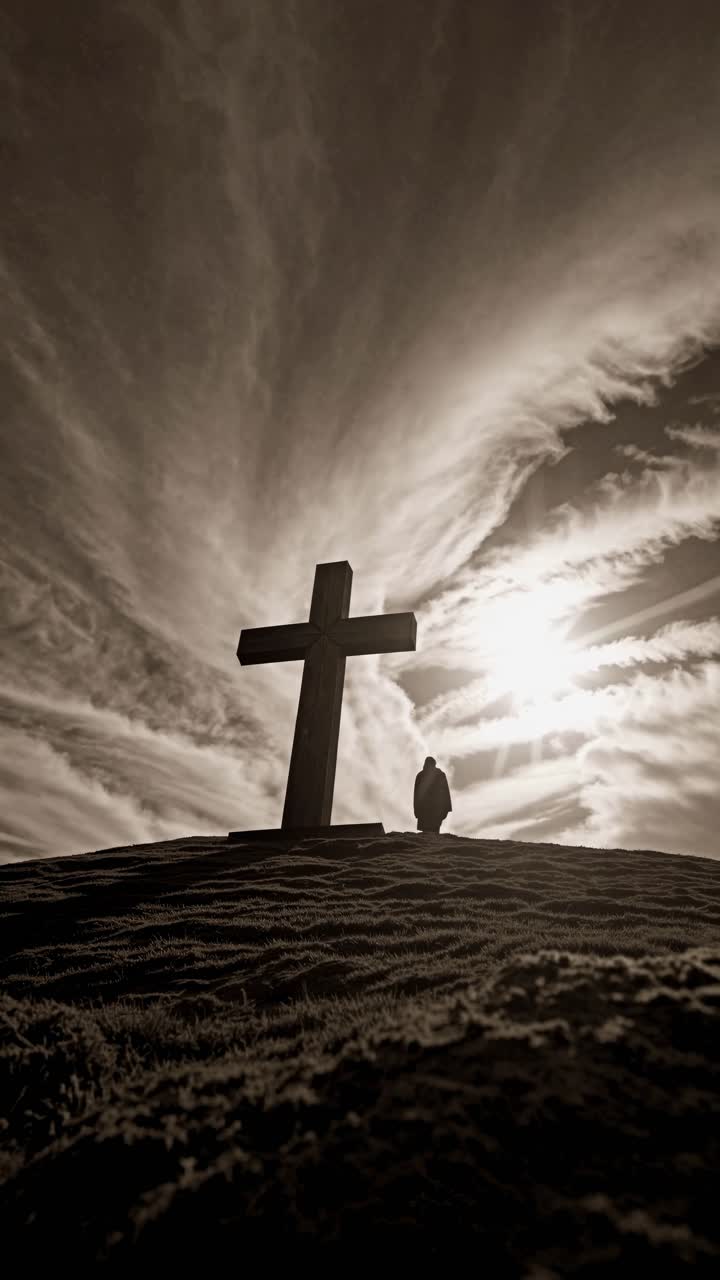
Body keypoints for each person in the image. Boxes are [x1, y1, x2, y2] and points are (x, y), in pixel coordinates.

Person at [413, 756, 452, 833]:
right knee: (429, 832)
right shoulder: (421, 776)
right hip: (426, 810)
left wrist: (447, 808)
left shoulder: (440, 775)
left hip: (435, 809)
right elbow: (416, 795)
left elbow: (445, 792)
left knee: (433, 831)